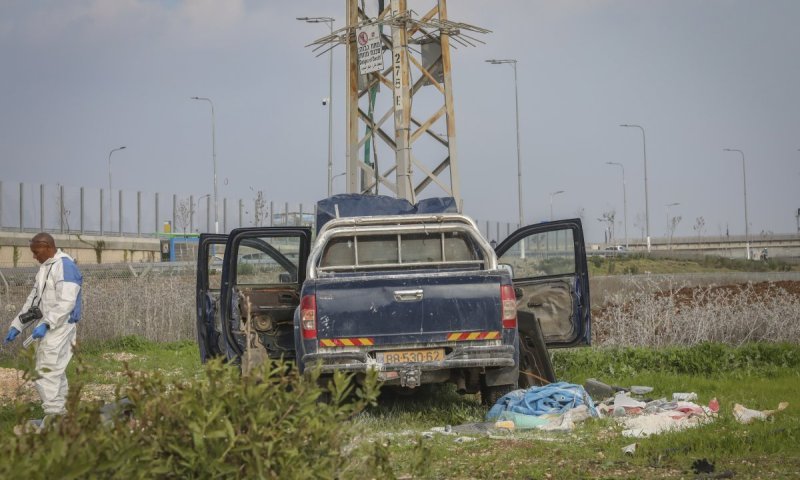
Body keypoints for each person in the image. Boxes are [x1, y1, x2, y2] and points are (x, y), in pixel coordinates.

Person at [4, 233, 83, 418]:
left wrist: (47, 324)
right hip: (49, 327)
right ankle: (63, 416)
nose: (34, 256)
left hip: (61, 327)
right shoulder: (45, 268)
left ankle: (54, 417)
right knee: (55, 371)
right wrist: (18, 325)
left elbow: (67, 302)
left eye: (35, 251)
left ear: (46, 246)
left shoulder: (65, 266)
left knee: (45, 372)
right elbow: (34, 300)